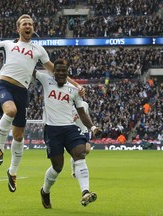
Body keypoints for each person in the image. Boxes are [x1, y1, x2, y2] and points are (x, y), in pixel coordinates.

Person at [0, 14, 84, 193]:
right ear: (18, 28)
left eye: (30, 24)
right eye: (24, 24)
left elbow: (55, 71)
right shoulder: (8, 45)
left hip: (22, 92)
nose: (28, 26)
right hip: (4, 85)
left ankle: (12, 172)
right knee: (10, 111)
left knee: (18, 136)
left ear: (33, 28)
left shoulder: (39, 50)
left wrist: (76, 85)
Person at [34, 59, 101, 208]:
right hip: (52, 130)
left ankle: (85, 192)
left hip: (70, 128)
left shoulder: (73, 90)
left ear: (67, 73)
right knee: (57, 167)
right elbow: (29, 68)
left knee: (80, 154)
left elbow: (82, 113)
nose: (60, 73)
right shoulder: (45, 80)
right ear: (53, 71)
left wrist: (93, 127)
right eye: (57, 70)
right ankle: (45, 191)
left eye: (63, 71)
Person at [70, 100, 92, 178]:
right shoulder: (69, 105)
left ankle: (78, 159)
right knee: (77, 152)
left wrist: (91, 126)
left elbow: (87, 116)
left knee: (87, 150)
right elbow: (67, 120)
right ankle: (73, 171)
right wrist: (73, 119)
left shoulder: (85, 104)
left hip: (85, 129)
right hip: (75, 130)